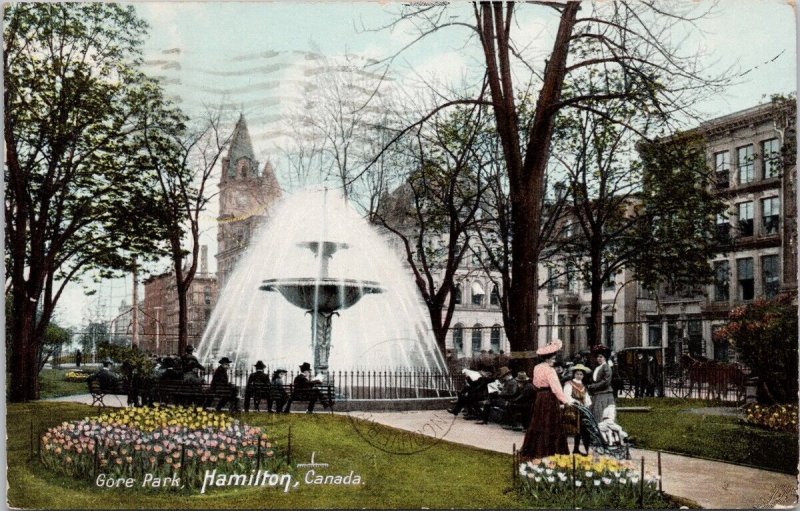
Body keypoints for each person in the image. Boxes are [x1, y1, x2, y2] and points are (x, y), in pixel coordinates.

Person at [520, 339, 576, 459]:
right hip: (549, 398)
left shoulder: (537, 368)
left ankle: (535, 450)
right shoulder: (550, 370)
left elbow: (535, 383)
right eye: (553, 357)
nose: (554, 360)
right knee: (551, 423)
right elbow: (556, 388)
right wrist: (567, 401)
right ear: (548, 358)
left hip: (540, 397)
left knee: (538, 422)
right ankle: (551, 450)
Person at [562, 364, 592, 455]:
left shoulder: (583, 386)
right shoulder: (569, 384)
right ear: (574, 374)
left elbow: (586, 397)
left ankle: (576, 449)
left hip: (582, 409)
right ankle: (564, 450)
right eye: (577, 374)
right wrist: (574, 401)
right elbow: (566, 395)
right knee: (571, 429)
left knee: (581, 429)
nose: (579, 376)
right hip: (572, 409)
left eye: (581, 374)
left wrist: (587, 404)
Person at [588, 345, 616, 425]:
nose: (599, 359)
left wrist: (593, 386)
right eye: (598, 357)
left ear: (605, 358)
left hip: (604, 394)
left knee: (602, 414)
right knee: (596, 414)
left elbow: (606, 381)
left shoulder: (606, 367)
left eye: (601, 357)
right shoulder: (598, 367)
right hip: (597, 394)